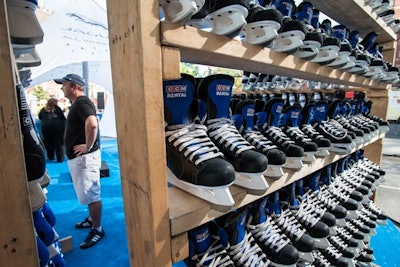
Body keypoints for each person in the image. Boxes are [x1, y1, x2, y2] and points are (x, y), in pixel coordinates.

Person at [54, 74, 104, 249]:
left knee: (92, 194)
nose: (62, 88)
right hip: (81, 158)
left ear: (74, 86)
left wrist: (87, 147)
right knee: (87, 193)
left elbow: (92, 124)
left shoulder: (82, 102)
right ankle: (92, 220)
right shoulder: (79, 104)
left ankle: (98, 229)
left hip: (85, 158)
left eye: (64, 85)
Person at [38, 98, 66, 162]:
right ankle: (60, 158)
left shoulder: (43, 109)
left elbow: (40, 117)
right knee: (59, 143)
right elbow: (63, 118)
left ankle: (51, 156)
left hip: (46, 127)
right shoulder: (58, 109)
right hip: (58, 127)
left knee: (48, 143)